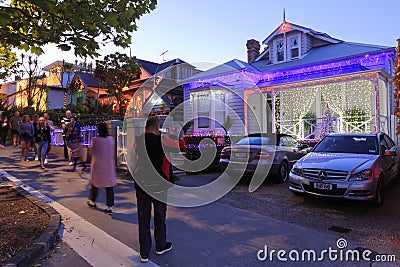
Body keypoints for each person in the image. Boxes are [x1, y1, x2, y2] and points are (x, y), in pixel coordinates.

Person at [133, 116, 177, 262]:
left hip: (142, 183)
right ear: (157, 127)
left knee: (143, 217)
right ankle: (160, 245)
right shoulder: (162, 141)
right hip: (159, 184)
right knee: (159, 215)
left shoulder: (138, 140)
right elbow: (180, 145)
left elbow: (135, 151)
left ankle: (144, 252)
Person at [87, 122, 116, 215]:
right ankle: (109, 207)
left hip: (98, 165)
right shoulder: (111, 139)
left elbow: (91, 151)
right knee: (109, 186)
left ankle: (93, 201)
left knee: (95, 183)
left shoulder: (95, 140)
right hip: (109, 165)